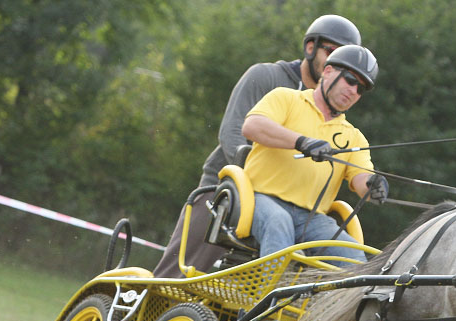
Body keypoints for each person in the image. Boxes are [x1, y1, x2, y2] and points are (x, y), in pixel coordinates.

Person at [153, 15, 363, 278]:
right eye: (331, 51)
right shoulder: (268, 77)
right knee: (180, 273)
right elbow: (232, 133)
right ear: (310, 47)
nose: (337, 63)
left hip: (291, 212)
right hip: (225, 192)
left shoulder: (333, 108)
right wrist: (253, 190)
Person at [241, 44, 387, 262]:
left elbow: (361, 178)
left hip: (312, 219)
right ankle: (274, 294)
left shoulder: (354, 137)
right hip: (259, 200)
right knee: (278, 221)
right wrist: (301, 142)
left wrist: (373, 186)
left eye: (361, 88)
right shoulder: (286, 98)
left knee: (353, 257)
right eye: (350, 79)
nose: (354, 91)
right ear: (328, 71)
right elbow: (252, 126)